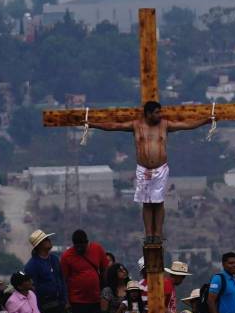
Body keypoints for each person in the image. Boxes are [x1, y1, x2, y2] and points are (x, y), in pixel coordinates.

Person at [87, 100, 212, 242]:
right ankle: (149, 234)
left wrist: (205, 121)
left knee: (158, 202)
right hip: (143, 169)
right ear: (148, 114)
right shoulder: (136, 125)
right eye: (157, 112)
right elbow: (113, 126)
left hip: (160, 168)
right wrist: (93, 124)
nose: (160, 115)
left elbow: (186, 125)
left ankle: (158, 233)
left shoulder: (165, 125)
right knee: (146, 202)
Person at [60, 229, 110, 313]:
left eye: (81, 245)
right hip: (77, 302)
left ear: (87, 242)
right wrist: (67, 302)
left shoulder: (97, 249)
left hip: (96, 300)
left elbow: (105, 269)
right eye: (76, 246)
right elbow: (63, 280)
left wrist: (105, 291)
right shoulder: (66, 256)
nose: (79, 248)